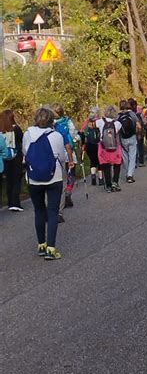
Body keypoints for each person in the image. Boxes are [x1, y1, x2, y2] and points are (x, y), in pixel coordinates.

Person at [23, 107, 68, 260]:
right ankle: (51, 248)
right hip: (53, 176)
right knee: (53, 211)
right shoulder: (56, 135)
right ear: (51, 120)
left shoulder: (27, 134)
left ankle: (41, 244)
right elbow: (62, 157)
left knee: (39, 210)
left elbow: (25, 153)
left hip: (34, 178)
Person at [52, 103, 77, 209]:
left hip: (57, 152)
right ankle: (68, 192)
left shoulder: (50, 124)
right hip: (69, 151)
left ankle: (60, 197)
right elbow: (73, 134)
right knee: (71, 174)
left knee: (60, 176)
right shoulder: (68, 121)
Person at [0, 109, 24, 211]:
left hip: (4, 158)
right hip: (16, 157)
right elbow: (22, 141)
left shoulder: (1, 130)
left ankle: (10, 201)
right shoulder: (16, 129)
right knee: (16, 180)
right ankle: (15, 203)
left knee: (9, 180)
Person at [96, 106, 123, 193]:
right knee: (117, 165)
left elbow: (92, 125)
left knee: (106, 166)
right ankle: (115, 182)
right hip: (115, 147)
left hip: (103, 147)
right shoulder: (118, 123)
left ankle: (108, 185)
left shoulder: (99, 122)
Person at [118, 99, 140, 183]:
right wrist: (138, 133)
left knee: (125, 156)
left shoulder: (118, 116)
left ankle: (128, 172)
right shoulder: (132, 114)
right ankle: (130, 175)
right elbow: (138, 125)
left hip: (123, 138)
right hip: (132, 137)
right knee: (132, 156)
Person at [81, 107, 103, 186]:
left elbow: (82, 133)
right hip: (98, 144)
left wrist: (83, 144)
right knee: (100, 161)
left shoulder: (87, 122)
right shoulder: (100, 121)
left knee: (92, 161)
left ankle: (93, 176)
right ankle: (100, 179)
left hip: (89, 144)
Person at [129, 98, 145, 167]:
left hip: (132, 133)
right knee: (140, 147)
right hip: (139, 133)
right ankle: (141, 162)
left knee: (133, 148)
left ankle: (134, 163)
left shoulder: (129, 115)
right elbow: (143, 123)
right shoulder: (139, 114)